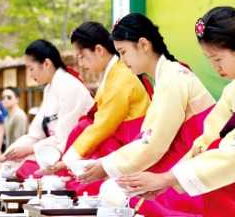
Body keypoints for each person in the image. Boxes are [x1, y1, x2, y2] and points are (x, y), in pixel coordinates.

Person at [117, 7, 235, 217]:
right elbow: (208, 137)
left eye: (217, 59)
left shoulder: (174, 76)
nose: (214, 67)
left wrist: (169, 178)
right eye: (209, 59)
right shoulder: (234, 88)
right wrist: (170, 178)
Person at [79, 13, 215, 216]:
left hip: (193, 169)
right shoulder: (167, 75)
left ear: (143, 44)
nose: (122, 61)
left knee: (118, 195)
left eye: (123, 52)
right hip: (183, 163)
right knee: (115, 192)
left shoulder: (172, 78)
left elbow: (153, 144)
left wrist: (107, 166)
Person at [45, 21, 150, 195]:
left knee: (86, 186)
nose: (80, 62)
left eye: (82, 56)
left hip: (129, 144)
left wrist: (70, 158)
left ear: (99, 50)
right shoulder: (113, 73)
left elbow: (103, 126)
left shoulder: (120, 77)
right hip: (118, 141)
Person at [0, 39, 94, 176]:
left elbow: (64, 138)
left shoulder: (70, 86)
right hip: (55, 156)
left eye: (31, 68)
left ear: (46, 64)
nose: (30, 74)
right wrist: (3, 157)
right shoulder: (49, 89)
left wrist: (31, 149)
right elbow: (35, 134)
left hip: (79, 160)